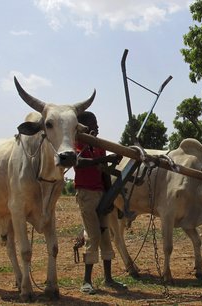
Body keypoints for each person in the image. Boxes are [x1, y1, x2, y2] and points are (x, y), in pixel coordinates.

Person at [74, 111, 126, 295]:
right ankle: (86, 281)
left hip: (101, 193)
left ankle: (108, 278)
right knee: (93, 235)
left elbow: (104, 173)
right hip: (86, 193)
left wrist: (109, 197)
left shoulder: (99, 146)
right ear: (83, 126)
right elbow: (79, 163)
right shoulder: (77, 143)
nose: (97, 127)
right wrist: (105, 159)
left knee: (106, 236)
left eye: (97, 123)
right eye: (93, 124)